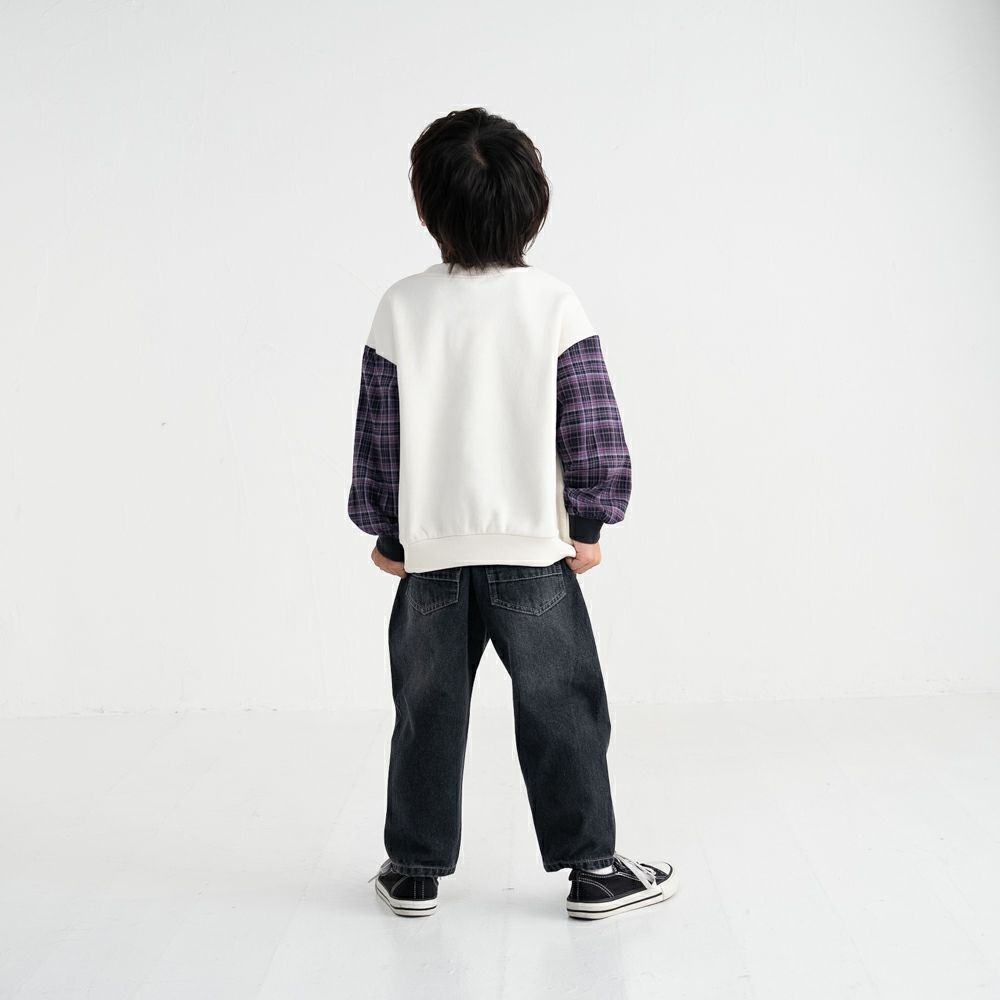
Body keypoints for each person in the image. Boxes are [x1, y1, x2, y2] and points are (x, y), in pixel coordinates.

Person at [349, 107, 678, 920]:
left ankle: (414, 869)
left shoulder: (401, 307)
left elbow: (381, 431)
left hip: (432, 558)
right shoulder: (554, 304)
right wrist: (589, 522)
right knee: (563, 706)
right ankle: (593, 870)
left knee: (426, 713)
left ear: (425, 208)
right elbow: (590, 420)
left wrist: (387, 528)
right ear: (536, 205)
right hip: (534, 554)